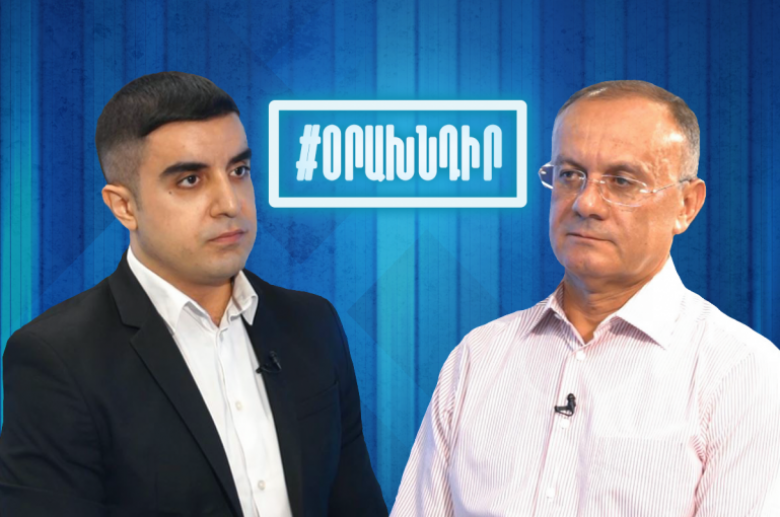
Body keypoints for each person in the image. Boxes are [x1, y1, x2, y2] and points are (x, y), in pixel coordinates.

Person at [0, 72, 387, 517]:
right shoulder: (57, 357)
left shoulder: (313, 324)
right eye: (190, 180)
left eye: (239, 171)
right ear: (124, 206)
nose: (230, 203)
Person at [390, 80, 780, 516]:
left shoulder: (742, 374)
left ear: (686, 204)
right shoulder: (479, 358)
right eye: (570, 175)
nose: (586, 202)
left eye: (623, 181)